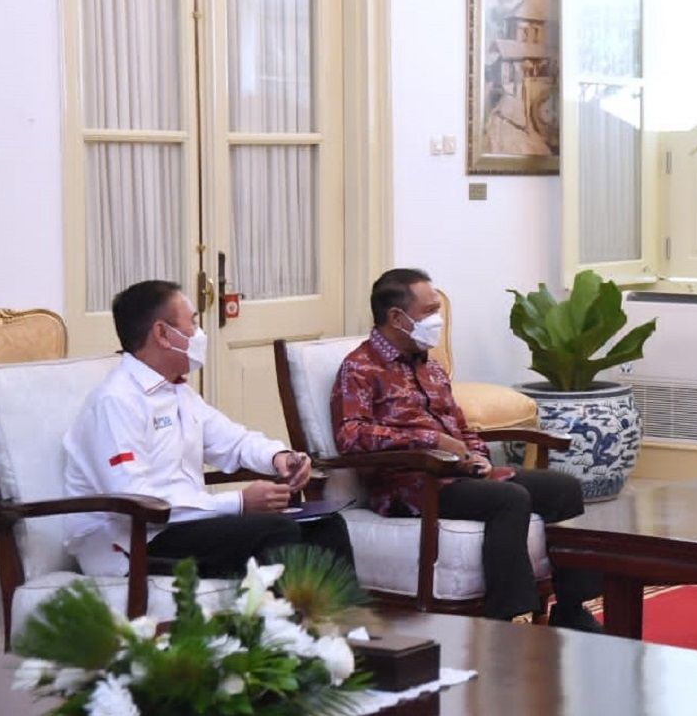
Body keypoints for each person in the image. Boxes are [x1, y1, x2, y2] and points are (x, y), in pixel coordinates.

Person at [331, 268, 602, 632]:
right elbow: (351, 435)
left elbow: (459, 423)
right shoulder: (360, 368)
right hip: (411, 486)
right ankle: (505, 619)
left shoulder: (431, 367)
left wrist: (476, 456)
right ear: (397, 317)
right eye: (428, 312)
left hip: (459, 475)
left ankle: (571, 609)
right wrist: (430, 442)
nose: (437, 321)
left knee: (562, 488)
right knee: (509, 498)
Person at [64, 280, 354, 578]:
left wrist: (279, 456)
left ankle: (337, 625)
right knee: (275, 531)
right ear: (162, 334)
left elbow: (234, 441)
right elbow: (136, 503)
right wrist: (239, 503)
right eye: (193, 323)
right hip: (132, 545)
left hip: (181, 528)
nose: (199, 334)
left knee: (326, 527)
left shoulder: (177, 393)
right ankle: (277, 625)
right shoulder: (116, 401)